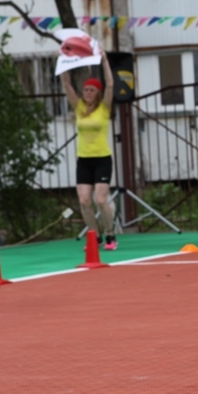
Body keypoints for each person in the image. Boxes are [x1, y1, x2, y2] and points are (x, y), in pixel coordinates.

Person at [61, 50, 118, 251]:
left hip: (102, 159)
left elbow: (111, 85)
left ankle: (110, 235)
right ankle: (95, 236)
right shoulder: (78, 107)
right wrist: (63, 61)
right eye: (85, 89)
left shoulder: (104, 108)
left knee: (101, 200)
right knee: (84, 201)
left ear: (97, 93)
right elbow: (67, 84)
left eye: (91, 90)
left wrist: (104, 61)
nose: (87, 92)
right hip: (84, 160)